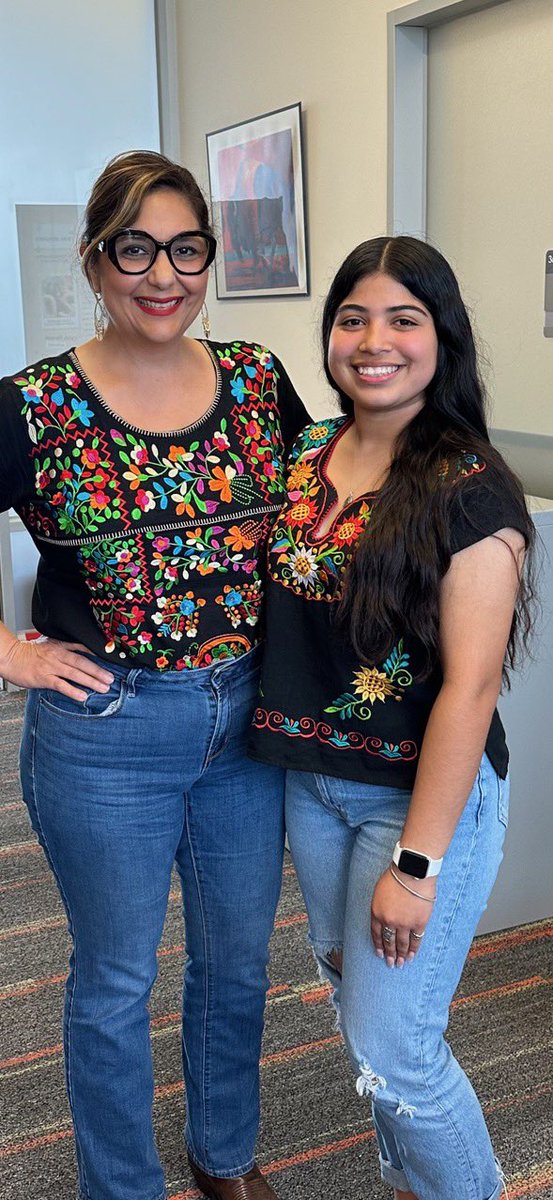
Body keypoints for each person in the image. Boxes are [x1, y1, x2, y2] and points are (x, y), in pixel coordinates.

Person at [0, 150, 309, 1200]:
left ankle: (223, 1154)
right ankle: (121, 1188)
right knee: (116, 979)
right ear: (96, 260)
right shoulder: (34, 406)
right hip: (106, 732)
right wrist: (13, 651)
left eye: (185, 247)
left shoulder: (260, 379)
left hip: (247, 725)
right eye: (134, 247)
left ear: (209, 258)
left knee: (237, 965)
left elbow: (326, 505)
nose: (162, 273)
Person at [249, 236, 535, 1200]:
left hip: (414, 808)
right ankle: (409, 1180)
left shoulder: (470, 487)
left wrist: (415, 867)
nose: (373, 340)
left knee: (395, 1046)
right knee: (352, 1001)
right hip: (311, 785)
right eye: (351, 317)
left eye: (402, 319)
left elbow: (470, 688)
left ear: (440, 337)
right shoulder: (304, 453)